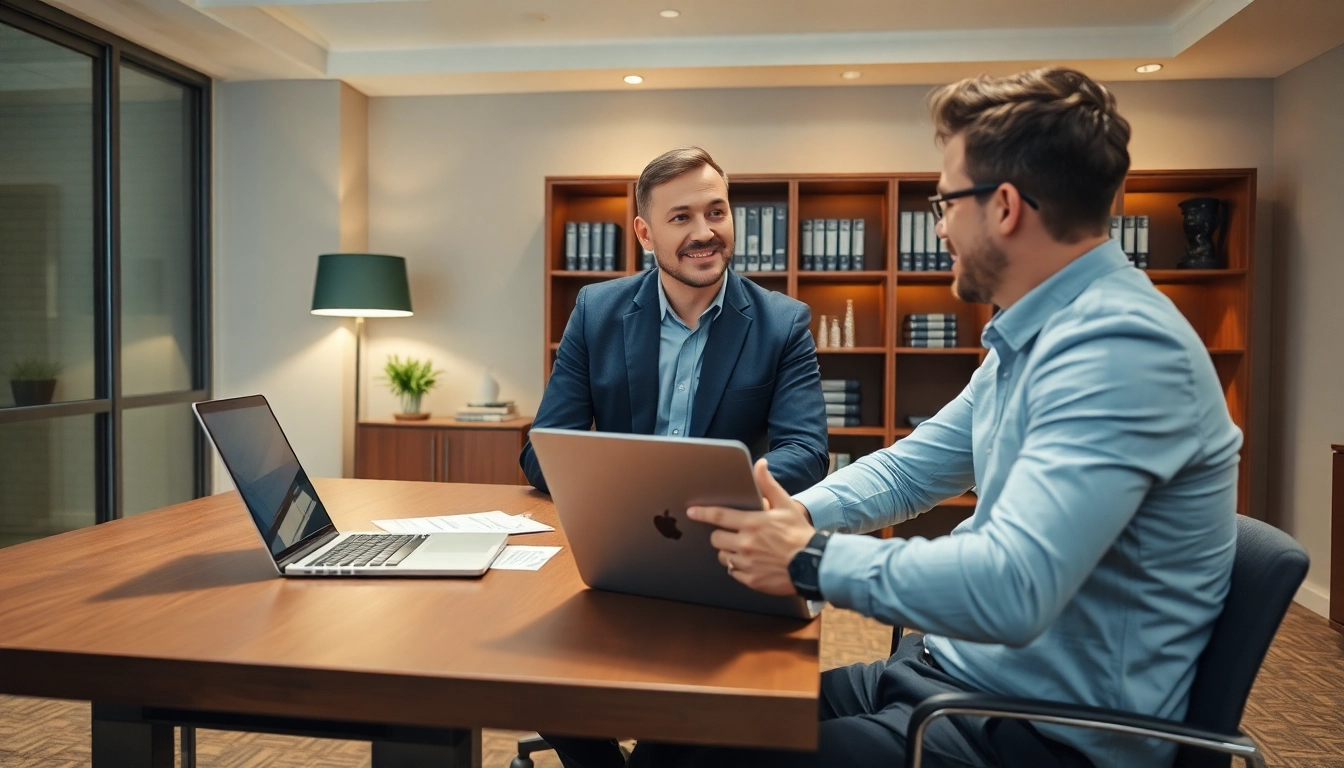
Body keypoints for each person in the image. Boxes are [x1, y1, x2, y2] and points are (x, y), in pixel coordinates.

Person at [670, 67, 1242, 768]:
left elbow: (1012, 588)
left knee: (708, 758)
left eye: (944, 202)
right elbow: (912, 472)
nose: (937, 225)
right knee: (687, 725)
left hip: (1031, 730)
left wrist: (807, 558)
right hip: (953, 677)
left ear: (1004, 206)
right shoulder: (1033, 336)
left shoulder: (1121, 350)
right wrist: (778, 523)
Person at [519, 146, 829, 497]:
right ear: (645, 234)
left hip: (728, 529)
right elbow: (541, 454)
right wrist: (645, 487)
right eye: (681, 217)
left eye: (716, 212)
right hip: (620, 525)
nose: (704, 233)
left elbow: (806, 455)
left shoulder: (782, 323)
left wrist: (688, 487)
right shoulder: (596, 312)